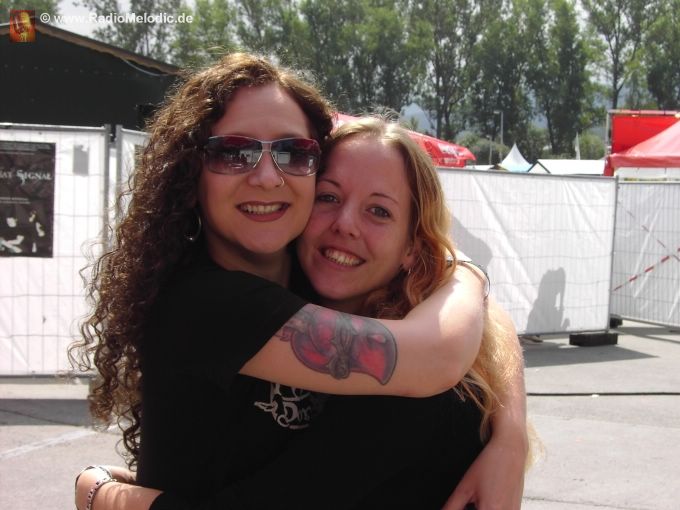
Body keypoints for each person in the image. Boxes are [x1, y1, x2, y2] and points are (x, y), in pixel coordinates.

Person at [70, 53, 496, 510]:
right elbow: (435, 354)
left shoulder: (316, 287)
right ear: (189, 173)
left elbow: (475, 331)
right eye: (233, 152)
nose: (268, 177)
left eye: (294, 153)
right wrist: (468, 276)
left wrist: (509, 431)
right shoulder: (205, 302)